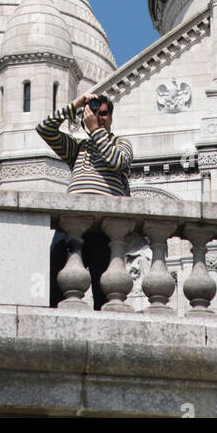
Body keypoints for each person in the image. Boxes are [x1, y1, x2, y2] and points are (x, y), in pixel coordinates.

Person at [37, 92, 133, 309]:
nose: (100, 117)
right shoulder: (78, 148)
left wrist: (96, 131)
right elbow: (44, 128)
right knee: (54, 287)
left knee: (105, 294)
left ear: (111, 117)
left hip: (104, 228)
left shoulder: (121, 143)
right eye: (95, 113)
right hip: (71, 223)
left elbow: (116, 161)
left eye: (104, 114)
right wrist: (75, 105)